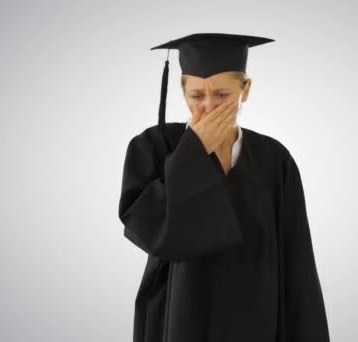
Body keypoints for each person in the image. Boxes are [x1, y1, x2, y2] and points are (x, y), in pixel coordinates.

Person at [118, 32, 331, 342]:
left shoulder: (274, 161)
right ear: (182, 91)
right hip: (180, 316)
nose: (209, 107)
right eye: (196, 95)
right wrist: (193, 153)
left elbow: (297, 264)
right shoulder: (154, 147)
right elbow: (147, 230)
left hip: (256, 319)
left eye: (221, 94)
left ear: (246, 90)